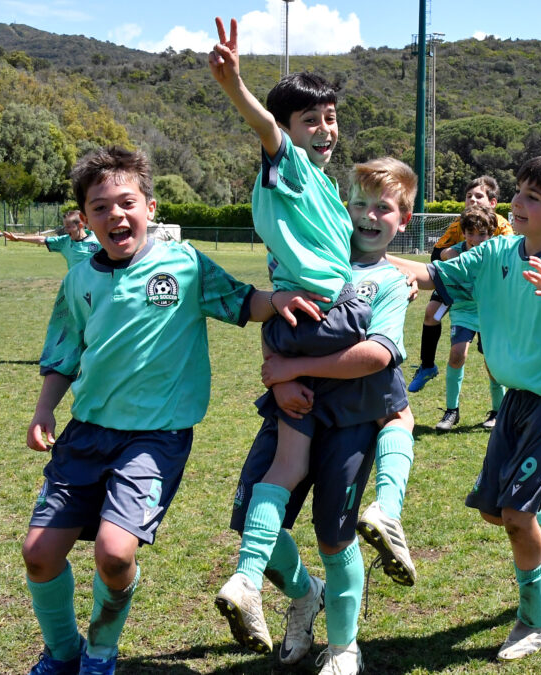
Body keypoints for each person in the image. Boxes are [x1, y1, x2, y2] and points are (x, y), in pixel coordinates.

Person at [20, 146, 321, 675]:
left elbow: (237, 300)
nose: (115, 215)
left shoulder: (182, 265)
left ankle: (101, 651)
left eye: (126, 202)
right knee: (39, 553)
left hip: (154, 439)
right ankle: (63, 654)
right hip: (85, 434)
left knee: (115, 554)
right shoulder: (79, 281)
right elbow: (64, 351)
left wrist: (274, 300)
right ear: (86, 220)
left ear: (150, 207)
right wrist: (45, 410)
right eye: (100, 207)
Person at [388, 154, 541, 661]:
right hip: (516, 399)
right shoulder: (496, 252)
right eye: (518, 191)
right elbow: (429, 273)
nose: (516, 202)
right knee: (500, 515)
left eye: (531, 197)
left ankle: (536, 620)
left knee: (517, 516)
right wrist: (361, 252)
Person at [217, 158, 417, 675]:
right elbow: (279, 322)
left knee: (335, 535)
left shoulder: (390, 282)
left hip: (351, 420)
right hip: (288, 408)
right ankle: (307, 594)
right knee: (253, 521)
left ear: (405, 220)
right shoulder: (310, 257)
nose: (368, 217)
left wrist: (295, 367)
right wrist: (279, 377)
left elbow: (380, 352)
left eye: (384, 209)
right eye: (359, 204)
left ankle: (345, 645)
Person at [208, 15, 373, 591]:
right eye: (310, 121)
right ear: (286, 129)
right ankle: (385, 511)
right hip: (330, 319)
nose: (325, 129)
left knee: (287, 465)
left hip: (297, 323)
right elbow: (265, 129)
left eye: (330, 118)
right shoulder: (292, 169)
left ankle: (252, 581)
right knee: (390, 391)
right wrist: (235, 86)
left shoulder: (324, 187)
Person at [408, 175, 514, 399]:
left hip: (485, 293)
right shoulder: (459, 224)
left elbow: (509, 258)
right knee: (431, 313)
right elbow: (437, 253)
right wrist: (452, 254)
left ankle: (499, 403)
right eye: (468, 196)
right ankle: (427, 366)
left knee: (490, 355)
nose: (473, 201)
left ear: (492, 203)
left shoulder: (502, 226)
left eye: (479, 196)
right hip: (456, 282)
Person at [433, 204, 507, 431]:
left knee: (492, 364)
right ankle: (451, 411)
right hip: (464, 311)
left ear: (491, 233)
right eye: (471, 233)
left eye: (482, 234)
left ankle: (498, 412)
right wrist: (447, 255)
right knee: (457, 355)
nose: (476, 239)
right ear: (463, 233)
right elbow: (444, 256)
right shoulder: (455, 252)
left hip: (491, 312)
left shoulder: (497, 251)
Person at [3, 210, 101, 269]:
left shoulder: (98, 239)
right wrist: (19, 238)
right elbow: (42, 239)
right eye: (64, 227)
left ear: (80, 226)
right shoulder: (64, 242)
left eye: (68, 227)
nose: (66, 230)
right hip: (77, 287)